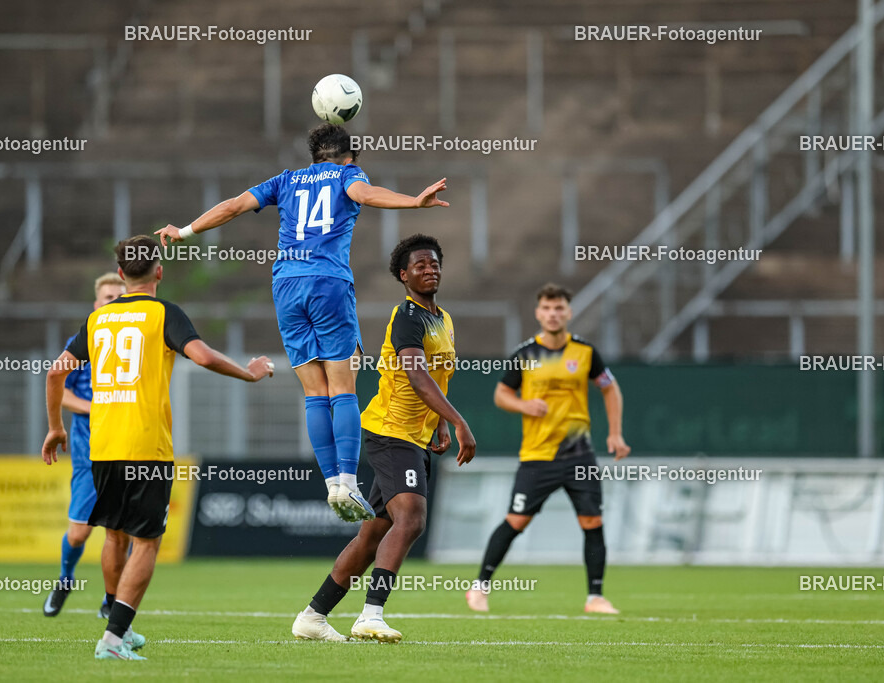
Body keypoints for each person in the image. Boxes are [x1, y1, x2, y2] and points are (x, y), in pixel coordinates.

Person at [155, 123, 449, 522]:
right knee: (343, 385)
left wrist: (185, 230)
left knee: (314, 391)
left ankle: (331, 485)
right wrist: (414, 202)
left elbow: (234, 205)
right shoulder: (349, 175)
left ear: (314, 154)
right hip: (327, 282)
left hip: (286, 284)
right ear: (351, 156)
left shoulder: (287, 180)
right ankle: (348, 480)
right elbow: (368, 195)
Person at [42, 235, 274, 660]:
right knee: (146, 543)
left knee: (114, 536)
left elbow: (55, 374)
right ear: (159, 272)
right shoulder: (163, 313)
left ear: (122, 273)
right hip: (146, 446)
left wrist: (56, 428)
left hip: (103, 445)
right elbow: (202, 357)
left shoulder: (98, 320)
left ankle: (117, 625)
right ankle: (112, 639)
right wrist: (249, 372)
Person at [291, 234, 476, 644]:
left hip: (413, 434)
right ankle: (370, 615)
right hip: (391, 431)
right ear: (402, 274)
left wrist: (440, 423)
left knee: (374, 534)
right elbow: (414, 373)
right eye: (420, 266)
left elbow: (437, 375)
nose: (430, 270)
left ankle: (313, 616)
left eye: (435, 264)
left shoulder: (442, 318)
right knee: (411, 518)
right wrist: (459, 421)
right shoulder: (407, 315)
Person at [465, 284, 631, 615]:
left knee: (592, 521)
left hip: (580, 454)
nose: (553, 314)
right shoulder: (525, 354)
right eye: (547, 308)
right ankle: (480, 587)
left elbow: (610, 389)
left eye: (559, 308)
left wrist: (615, 434)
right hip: (538, 457)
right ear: (538, 313)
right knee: (516, 520)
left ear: (568, 313)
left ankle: (595, 597)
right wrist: (524, 405)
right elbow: (501, 395)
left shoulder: (585, 352)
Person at [43, 272, 126, 618]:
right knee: (78, 534)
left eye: (120, 297)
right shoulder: (85, 339)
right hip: (89, 450)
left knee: (120, 533)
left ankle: (111, 603)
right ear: (97, 304)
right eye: (108, 297)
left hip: (129, 445)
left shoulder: (139, 340)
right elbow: (59, 385)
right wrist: (96, 407)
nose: (114, 303)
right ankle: (65, 579)